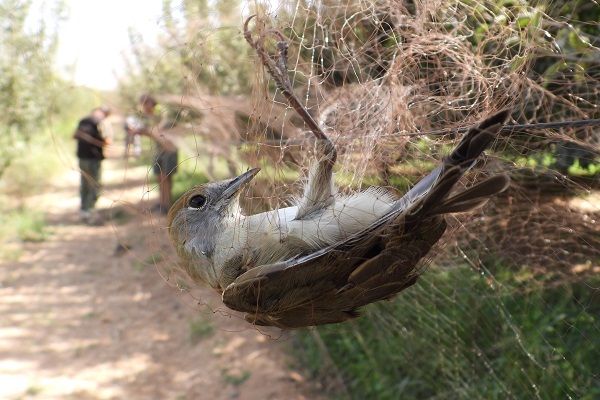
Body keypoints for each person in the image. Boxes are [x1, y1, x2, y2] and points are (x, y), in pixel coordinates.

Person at [132, 94, 178, 215]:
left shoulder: (162, 115)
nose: (143, 108)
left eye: (144, 105)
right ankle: (162, 203)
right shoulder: (150, 118)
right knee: (160, 178)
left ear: (149, 104)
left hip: (169, 151)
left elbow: (162, 133)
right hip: (159, 151)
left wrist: (146, 132)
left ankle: (167, 206)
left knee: (165, 178)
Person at [74, 106, 111, 223]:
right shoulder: (102, 122)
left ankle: (84, 209)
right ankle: (91, 210)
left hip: (82, 158)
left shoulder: (83, 120)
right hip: (94, 159)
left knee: (84, 183)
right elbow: (107, 141)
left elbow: (74, 136)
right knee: (95, 184)